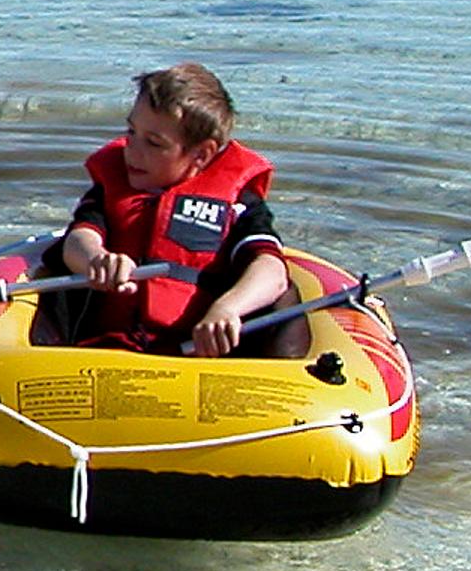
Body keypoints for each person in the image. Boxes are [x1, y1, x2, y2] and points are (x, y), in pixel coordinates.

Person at [38, 62, 302, 357]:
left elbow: (272, 271)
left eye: (153, 143)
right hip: (106, 351)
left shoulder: (239, 203)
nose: (131, 149)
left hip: (194, 357)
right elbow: (78, 240)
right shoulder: (110, 188)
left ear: (201, 154)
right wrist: (97, 260)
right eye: (131, 131)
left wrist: (227, 308)